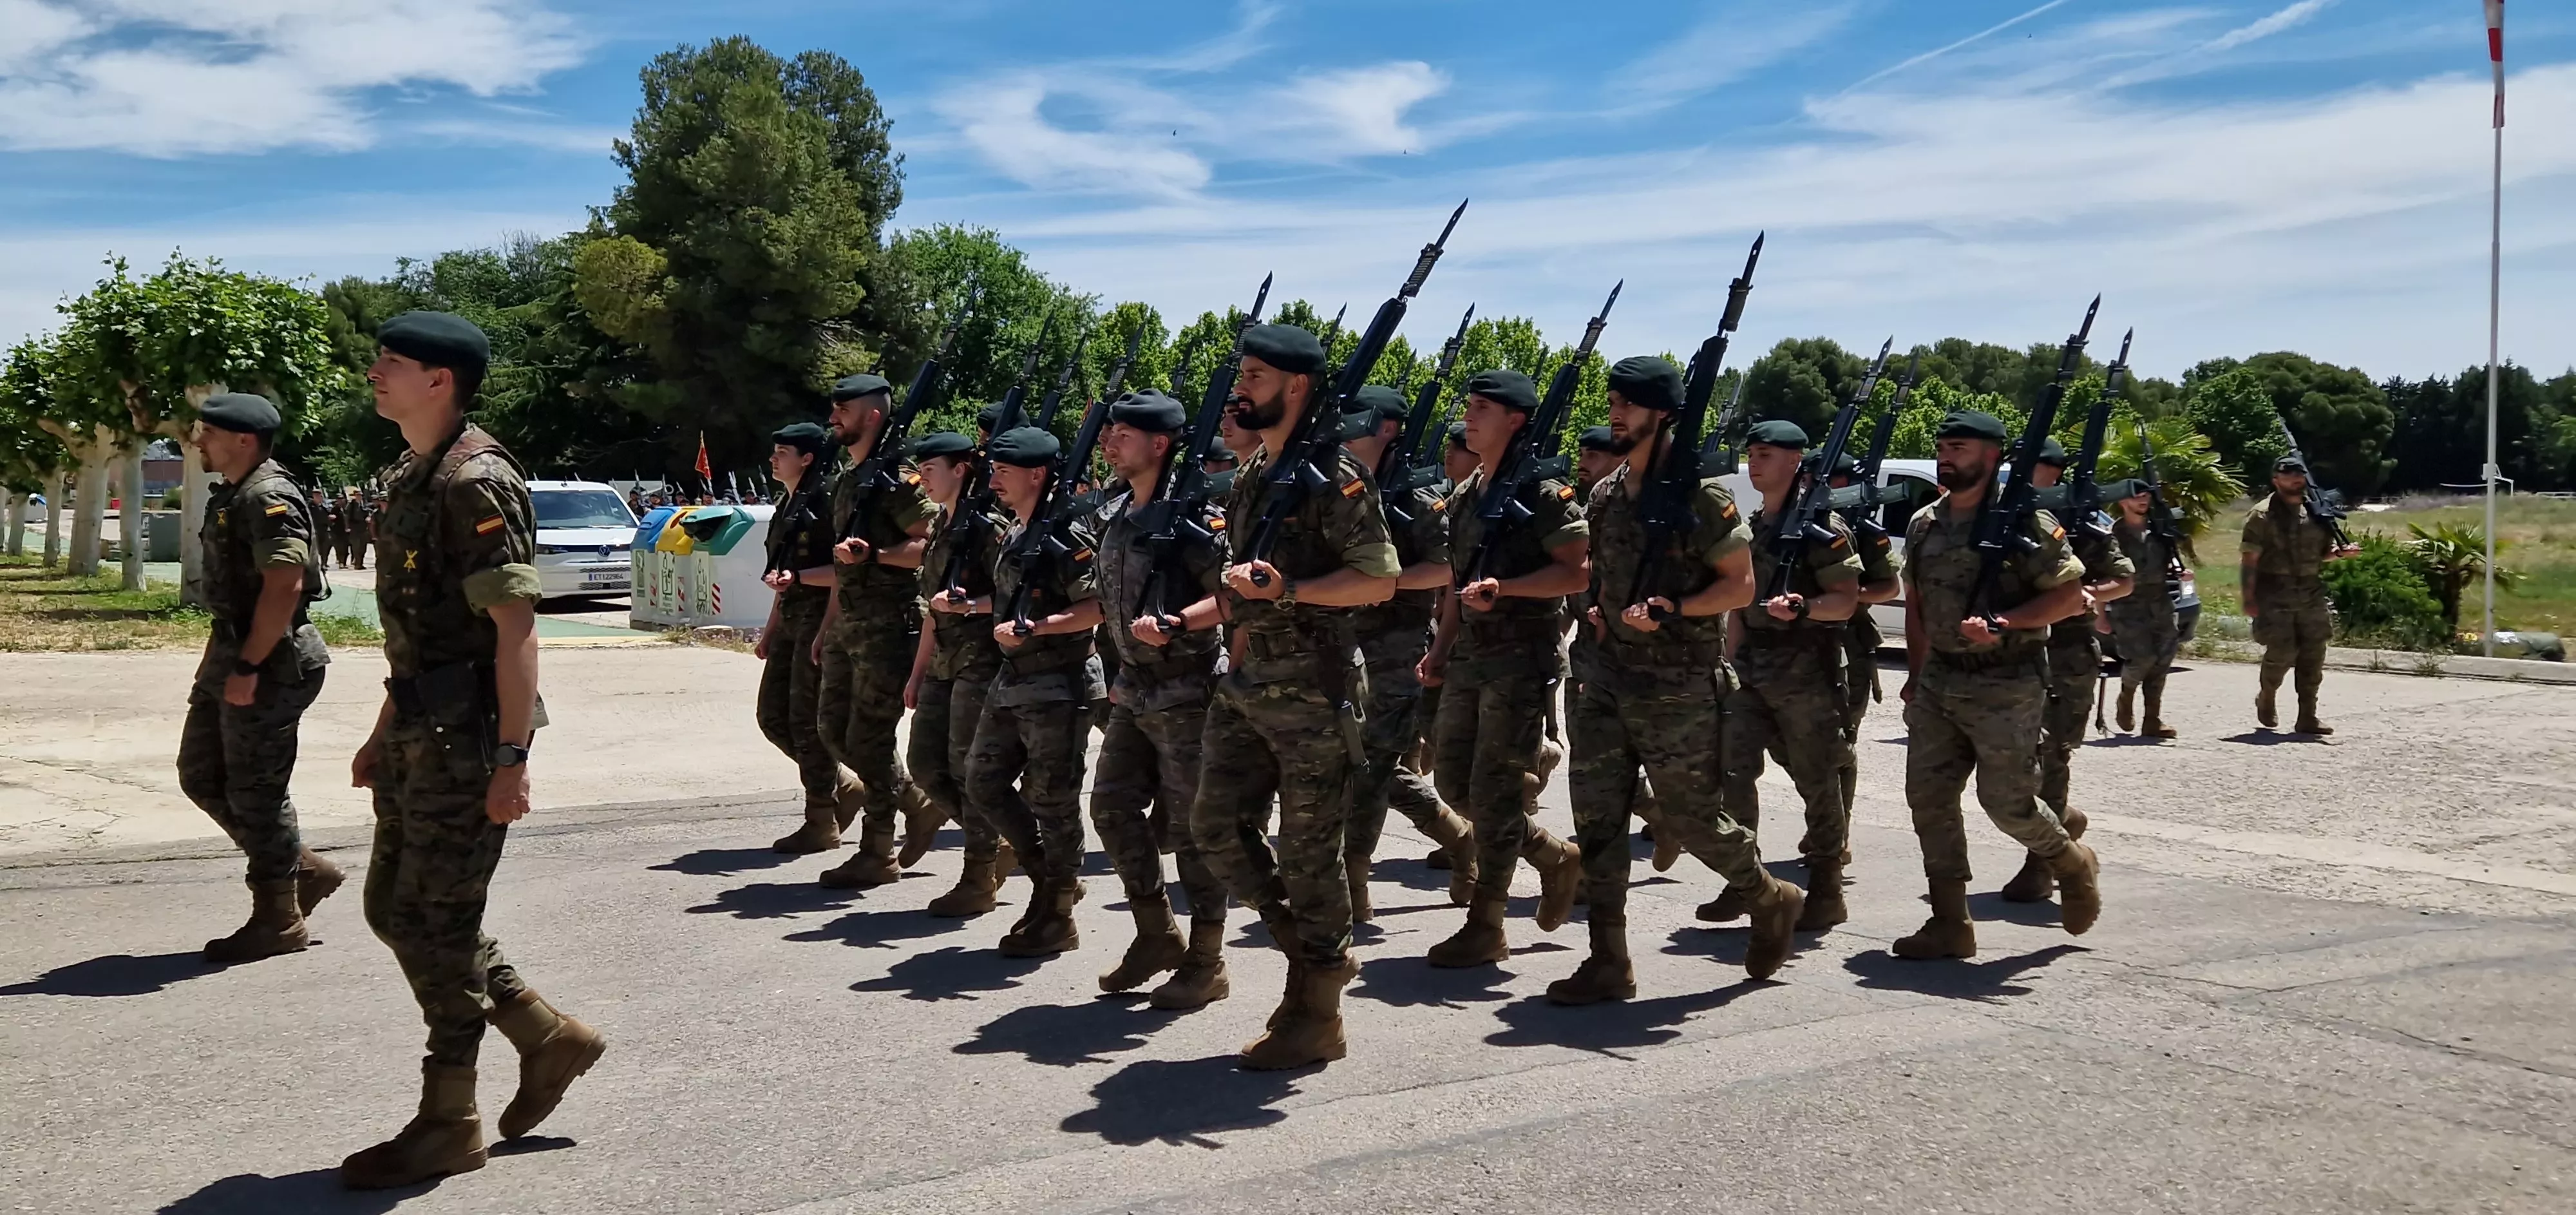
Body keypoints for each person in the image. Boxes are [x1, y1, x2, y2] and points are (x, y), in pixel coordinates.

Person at [342, 311, 603, 1189]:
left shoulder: (476, 481)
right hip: (420, 727)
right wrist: (384, 728)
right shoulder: (415, 472)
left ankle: (449, 1119)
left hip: (467, 743)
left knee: (438, 929)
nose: (375, 371)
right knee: (393, 909)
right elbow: (424, 628)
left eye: (392, 362)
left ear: (440, 379)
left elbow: (516, 631)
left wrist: (512, 758)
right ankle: (544, 1033)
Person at [1553, 357, 1804, 1002]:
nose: (1616, 413)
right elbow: (1602, 579)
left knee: (1694, 821)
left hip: (1679, 686)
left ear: (1662, 413)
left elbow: (1740, 585)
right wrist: (1601, 617)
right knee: (1599, 821)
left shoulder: (1702, 496)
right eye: (1613, 401)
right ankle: (1608, 959)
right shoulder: (1607, 493)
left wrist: (1674, 607)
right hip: (1607, 681)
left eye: (1629, 404)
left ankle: (1769, 895)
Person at [1182, 323, 1397, 1069]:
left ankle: (1316, 1011)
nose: (1241, 386)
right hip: (1249, 684)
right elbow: (1240, 592)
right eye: (1241, 373)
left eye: (1256, 375)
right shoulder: (1250, 476)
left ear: (1297, 387)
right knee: (1212, 824)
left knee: (1311, 854)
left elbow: (1379, 579)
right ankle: (1315, 957)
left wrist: (1292, 589)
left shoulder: (1335, 477)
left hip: (1313, 686)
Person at [1894, 410, 2101, 961]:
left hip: (2005, 682)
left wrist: (2005, 623)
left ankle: (2071, 863)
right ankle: (1949, 922)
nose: (1945, 456)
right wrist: (1916, 677)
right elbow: (1916, 607)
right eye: (1942, 446)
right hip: (1939, 682)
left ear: (1991, 457)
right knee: (1928, 801)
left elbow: (2069, 597)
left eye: (1958, 447)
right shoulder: (1924, 524)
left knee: (2007, 803)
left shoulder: (2025, 525)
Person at [1420, 369, 1586, 968]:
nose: (1469, 416)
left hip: (1521, 660)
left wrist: (1509, 588)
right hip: (1470, 657)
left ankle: (1486, 923)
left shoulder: (1544, 493)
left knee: (1491, 793)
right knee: (1453, 784)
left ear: (1516, 419)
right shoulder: (1466, 495)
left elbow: (1576, 573)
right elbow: (1457, 587)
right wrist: (1440, 649)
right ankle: (1552, 855)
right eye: (1469, 406)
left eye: (1481, 408)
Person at [177, 392, 337, 963]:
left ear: (243, 440)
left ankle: (278, 917)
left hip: (270, 660)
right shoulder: (237, 492)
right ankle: (301, 869)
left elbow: (284, 585)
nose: (198, 441)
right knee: (200, 774)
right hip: (232, 650)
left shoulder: (269, 495)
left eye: (207, 432)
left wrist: (249, 665)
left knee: (256, 792)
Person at [1089, 390, 1236, 1004]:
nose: (1109, 442)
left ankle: (1208, 960)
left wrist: (1179, 622)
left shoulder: (1199, 521)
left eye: (1123, 433)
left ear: (1159, 444)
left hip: (1188, 693)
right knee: (1111, 808)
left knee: (1197, 832)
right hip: (1136, 690)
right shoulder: (1118, 513)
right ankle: (1156, 933)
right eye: (1110, 432)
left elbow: (1235, 598)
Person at [1338, 387, 1479, 915]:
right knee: (1352, 761)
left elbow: (1447, 568)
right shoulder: (1341, 486)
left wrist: (1381, 585)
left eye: (1356, 420)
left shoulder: (1417, 496)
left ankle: (1354, 882)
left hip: (1395, 649)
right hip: (1341, 644)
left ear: (1388, 429)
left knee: (1371, 763)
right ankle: (1458, 836)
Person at [965, 426, 1104, 956]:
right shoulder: (1015, 531)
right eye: (994, 469)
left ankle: (1057, 910)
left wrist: (1039, 627)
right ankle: (1052, 876)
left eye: (1005, 471)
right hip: (1015, 679)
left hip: (1060, 685)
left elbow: (1097, 608)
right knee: (983, 782)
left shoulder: (1066, 537)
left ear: (1038, 475)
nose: (994, 478)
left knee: (1053, 801)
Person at [1719, 420, 1864, 931]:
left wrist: (1804, 608)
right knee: (1732, 772)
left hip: (1806, 670)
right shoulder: (1755, 525)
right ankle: (1746, 880)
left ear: (1794, 463)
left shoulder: (1824, 531)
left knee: (1817, 779)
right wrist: (1729, 664)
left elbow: (1845, 601)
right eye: (1752, 454)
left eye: (1765, 455)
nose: (1754, 463)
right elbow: (1739, 604)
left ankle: (1826, 887)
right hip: (1753, 667)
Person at [815, 375, 941, 888]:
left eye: (842, 410)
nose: (833, 419)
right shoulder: (851, 479)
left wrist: (877, 554)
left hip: (890, 626)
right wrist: (828, 626)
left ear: (872, 416)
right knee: (833, 730)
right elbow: (842, 564)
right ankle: (917, 801)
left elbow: (934, 544)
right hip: (849, 625)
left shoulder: (899, 481)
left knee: (870, 737)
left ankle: (877, 850)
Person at [2005, 440, 2132, 904]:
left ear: (2053, 472)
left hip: (2067, 653)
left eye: (2029, 463)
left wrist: (2087, 594)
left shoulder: (2082, 525)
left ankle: (2042, 865)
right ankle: (2064, 822)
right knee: (2012, 764)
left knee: (2051, 755)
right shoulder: (2006, 518)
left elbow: (2124, 578)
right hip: (2014, 651)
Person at [907, 432, 1017, 915]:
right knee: (925, 765)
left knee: (967, 771)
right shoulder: (941, 527)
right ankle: (1008, 839)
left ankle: (979, 878)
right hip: (943, 662)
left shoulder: (988, 529)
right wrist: (916, 673)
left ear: (960, 471)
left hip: (981, 661)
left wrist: (972, 606)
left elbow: (1016, 598)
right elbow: (930, 610)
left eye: (931, 468)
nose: (923, 477)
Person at [754, 423, 859, 854]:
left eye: (783, 452)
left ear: (808, 459)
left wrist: (822, 627)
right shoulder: (788, 503)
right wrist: (771, 628)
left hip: (820, 619)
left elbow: (842, 572)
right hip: (792, 619)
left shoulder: (827, 501)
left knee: (806, 723)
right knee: (772, 717)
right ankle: (843, 786)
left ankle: (821, 818)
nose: (774, 459)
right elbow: (781, 574)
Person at [2242, 455, 2359, 734]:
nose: (2296, 479)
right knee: (2282, 651)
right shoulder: (2262, 514)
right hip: (2274, 591)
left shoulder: (2316, 511)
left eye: (2299, 474)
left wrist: (2342, 553)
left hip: (2310, 590)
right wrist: (2248, 598)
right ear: (2276, 480)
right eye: (2288, 474)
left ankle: (2308, 715)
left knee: (2313, 654)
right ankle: (2267, 695)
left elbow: (2323, 554)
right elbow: (2249, 559)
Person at [1825, 452, 1900, 841]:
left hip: (1850, 644)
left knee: (1842, 741)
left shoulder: (1865, 530)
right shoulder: (1808, 524)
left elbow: (1890, 587)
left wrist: (1849, 596)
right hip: (1802, 646)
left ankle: (1839, 833)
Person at [2105, 479, 2181, 738]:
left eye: (2145, 496)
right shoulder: (2111, 534)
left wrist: (2180, 571)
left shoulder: (2160, 530)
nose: (2143, 500)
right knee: (2141, 659)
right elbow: (2101, 572)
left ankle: (2153, 720)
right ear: (2122, 502)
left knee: (2161, 661)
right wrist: (2100, 609)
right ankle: (2126, 696)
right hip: (2127, 604)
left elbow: (2171, 557)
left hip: (2160, 602)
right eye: (2136, 496)